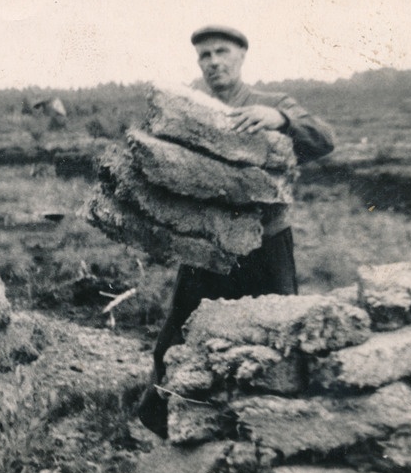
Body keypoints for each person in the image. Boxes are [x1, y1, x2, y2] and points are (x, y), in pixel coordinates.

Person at [137, 25, 335, 438]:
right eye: (204, 56)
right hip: (206, 248)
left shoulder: (270, 103)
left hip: (266, 243)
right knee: (176, 340)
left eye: (221, 52)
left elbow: (323, 139)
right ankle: (163, 432)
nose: (213, 62)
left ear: (242, 56)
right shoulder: (186, 106)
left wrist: (280, 120)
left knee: (278, 339)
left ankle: (274, 433)